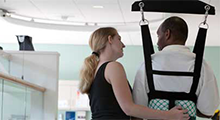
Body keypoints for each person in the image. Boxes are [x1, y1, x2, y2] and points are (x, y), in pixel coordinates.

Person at [79, 27, 189, 120]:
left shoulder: (95, 69)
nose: (123, 45)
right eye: (119, 39)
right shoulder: (113, 67)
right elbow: (129, 109)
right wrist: (168, 115)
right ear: (110, 39)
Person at [132, 16, 220, 120]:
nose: (157, 42)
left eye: (158, 36)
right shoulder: (202, 66)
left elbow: (137, 108)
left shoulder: (148, 64)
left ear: (167, 34)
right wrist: (188, 105)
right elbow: (209, 110)